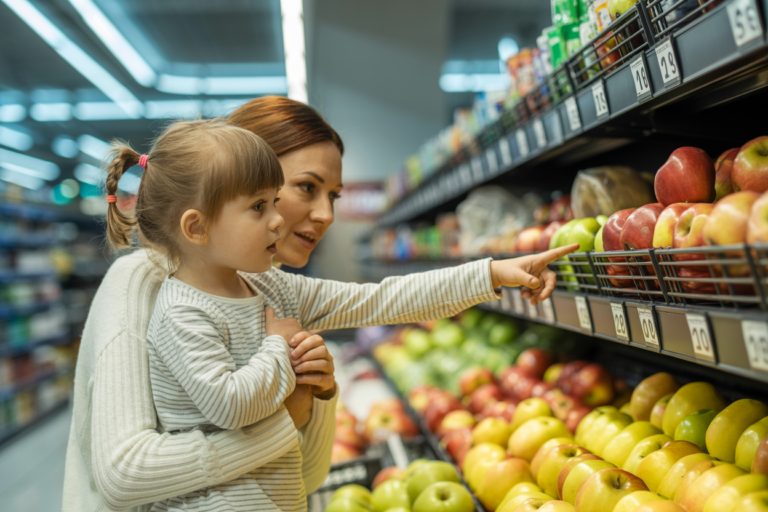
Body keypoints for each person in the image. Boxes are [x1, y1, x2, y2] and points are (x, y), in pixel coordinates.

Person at [62, 99, 575, 512]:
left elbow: (383, 300)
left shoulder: (269, 287)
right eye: (303, 188)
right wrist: (284, 395)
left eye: (334, 193)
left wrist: (490, 273)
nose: (327, 215)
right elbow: (125, 474)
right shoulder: (146, 286)